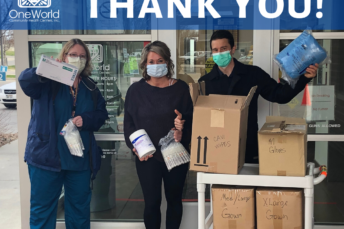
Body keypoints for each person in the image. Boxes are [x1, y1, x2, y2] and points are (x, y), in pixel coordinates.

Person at [18, 38, 108, 229]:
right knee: (42, 211)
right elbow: (24, 81)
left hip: (78, 159)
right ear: (64, 56)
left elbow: (101, 114)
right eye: (73, 55)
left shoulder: (89, 87)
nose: (78, 59)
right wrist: (45, 70)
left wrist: (87, 119)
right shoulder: (47, 82)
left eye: (82, 56)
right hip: (46, 158)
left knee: (79, 212)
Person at [199, 30, 319, 163]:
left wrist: (303, 79)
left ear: (233, 49)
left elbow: (280, 95)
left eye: (223, 48)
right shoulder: (205, 82)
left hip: (247, 148)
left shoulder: (253, 74)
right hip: (217, 148)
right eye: (215, 50)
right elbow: (200, 119)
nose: (219, 53)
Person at [124, 41, 193, 229]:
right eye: (151, 61)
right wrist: (135, 147)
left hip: (175, 154)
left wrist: (181, 129)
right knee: (152, 203)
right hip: (148, 157)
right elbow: (129, 124)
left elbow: (191, 120)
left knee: (174, 201)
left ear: (168, 62)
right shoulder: (135, 91)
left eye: (160, 60)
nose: (155, 65)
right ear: (145, 64)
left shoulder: (181, 89)